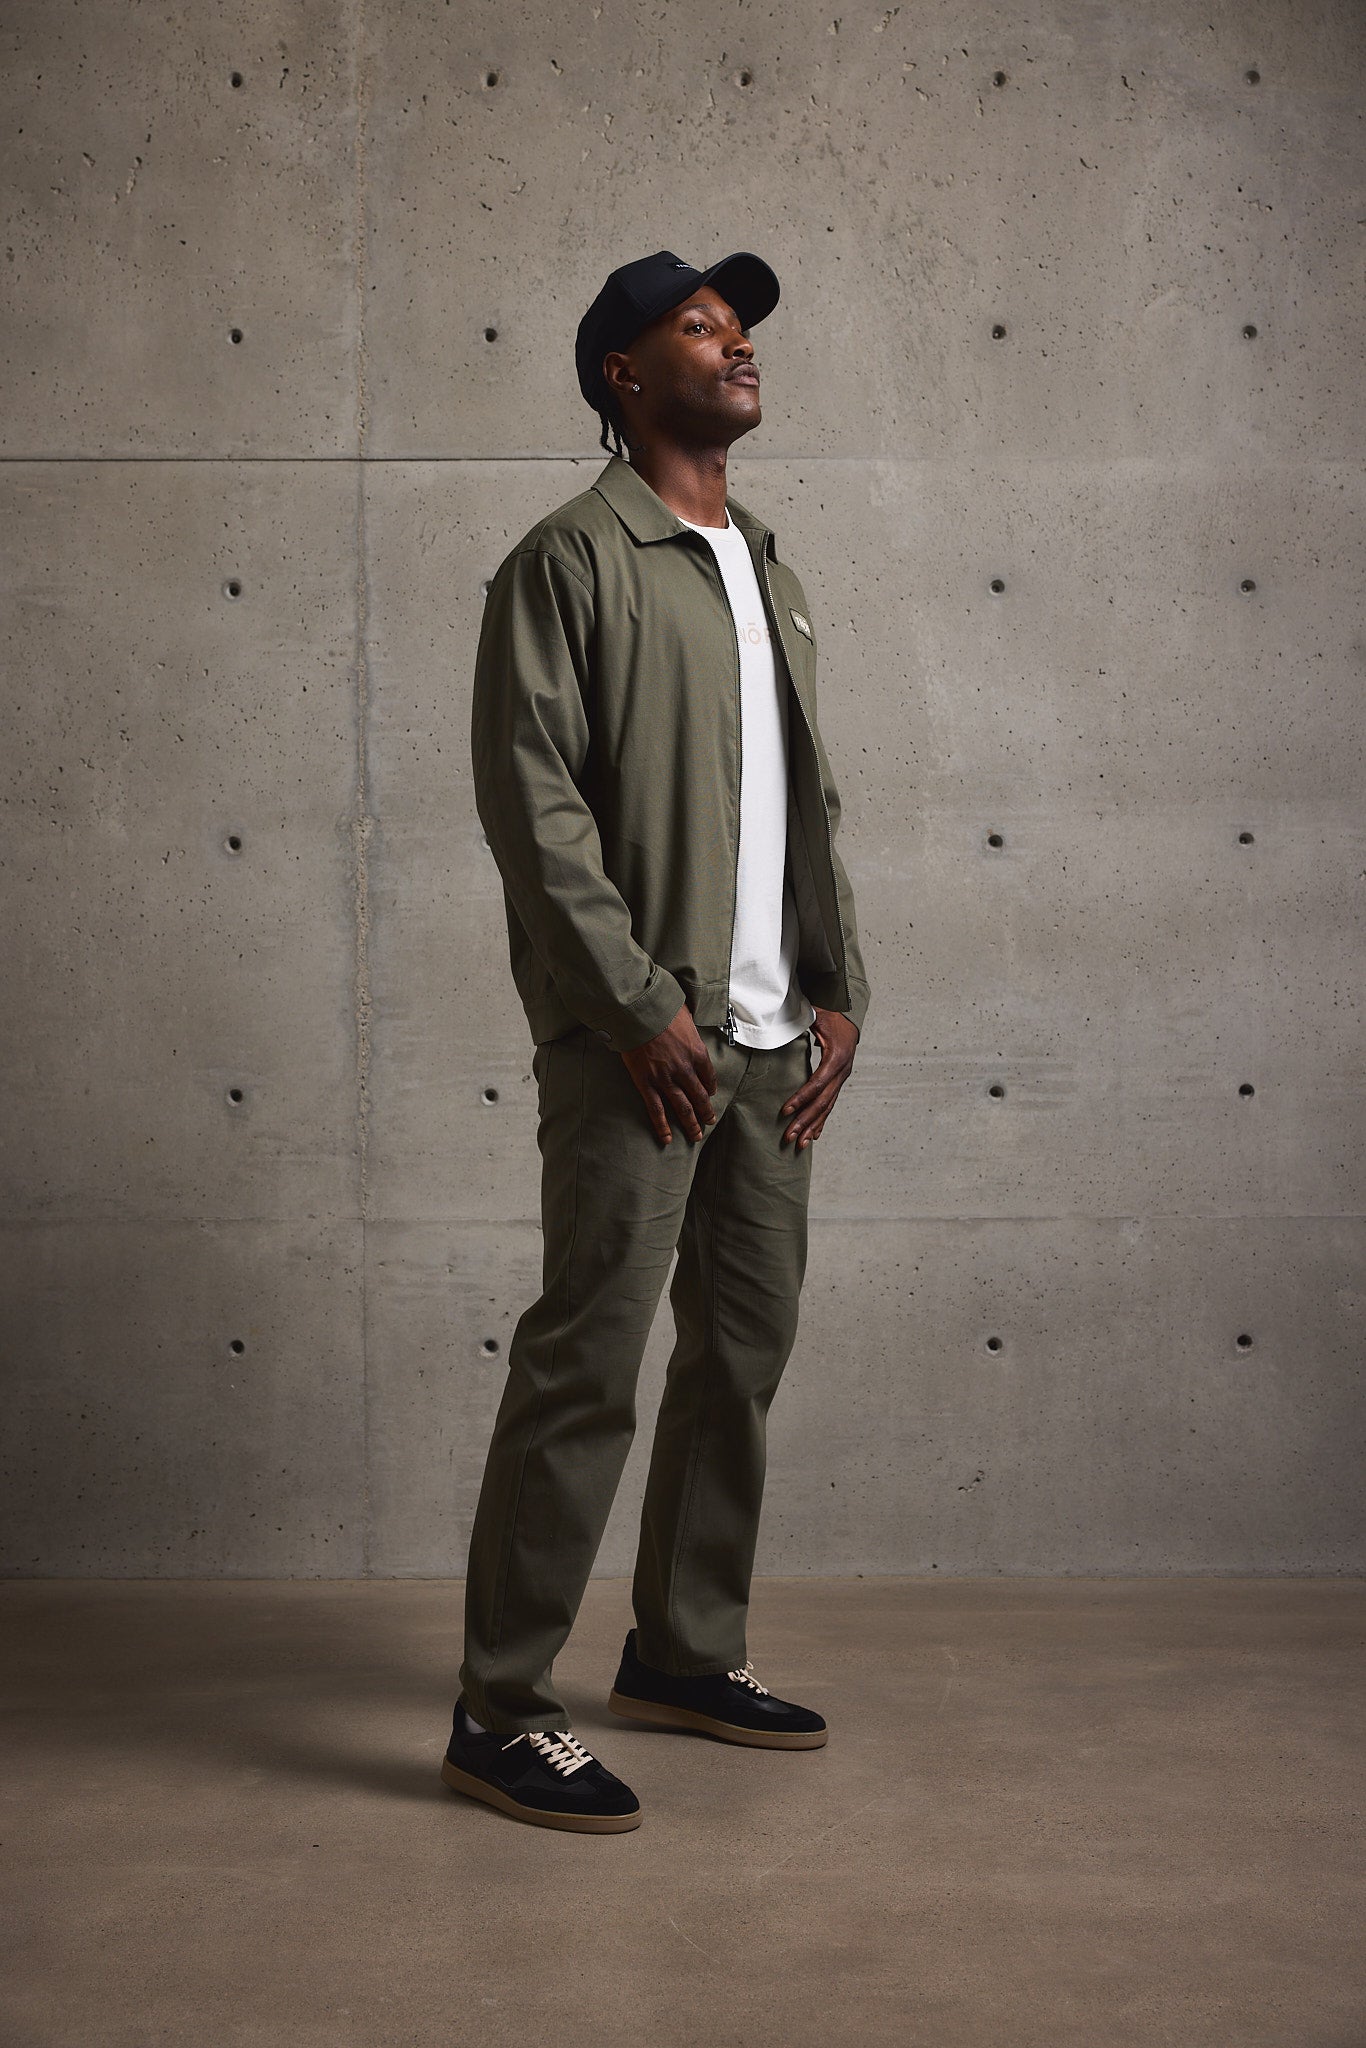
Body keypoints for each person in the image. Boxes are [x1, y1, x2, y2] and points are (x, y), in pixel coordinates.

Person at [441, 249, 871, 1833]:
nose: (735, 345)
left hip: (769, 1043)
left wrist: (836, 989)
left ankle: (684, 1652)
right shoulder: (569, 559)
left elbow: (806, 804)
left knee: (739, 1358)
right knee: (588, 1367)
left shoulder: (767, 564)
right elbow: (532, 803)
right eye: (698, 327)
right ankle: (499, 1710)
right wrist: (635, 1006)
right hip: (643, 1045)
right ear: (622, 374)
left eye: (739, 327)